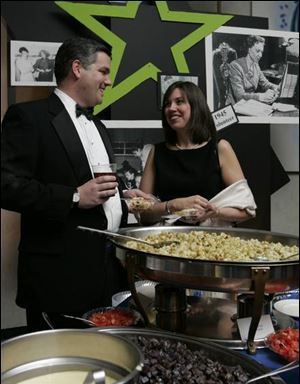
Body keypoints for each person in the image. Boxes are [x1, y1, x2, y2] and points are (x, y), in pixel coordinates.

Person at [1, 37, 149, 332]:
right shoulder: (29, 117)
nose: (108, 80)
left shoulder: (99, 126)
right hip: (57, 279)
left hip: (107, 274)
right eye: (104, 71)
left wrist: (124, 196)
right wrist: (72, 196)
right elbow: (6, 185)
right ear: (77, 68)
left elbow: (99, 189)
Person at [139, 81, 257, 226]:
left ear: (196, 107)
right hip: (167, 244)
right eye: (167, 104)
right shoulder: (156, 152)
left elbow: (246, 210)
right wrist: (172, 205)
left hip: (213, 244)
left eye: (179, 102)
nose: (171, 108)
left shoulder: (220, 148)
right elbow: (143, 214)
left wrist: (216, 212)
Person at [226, 35, 280, 105]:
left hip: (250, 104)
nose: (260, 55)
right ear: (249, 49)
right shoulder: (235, 66)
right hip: (236, 105)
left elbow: (265, 83)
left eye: (261, 52)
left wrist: (276, 87)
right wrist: (261, 96)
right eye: (257, 51)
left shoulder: (256, 65)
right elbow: (239, 95)